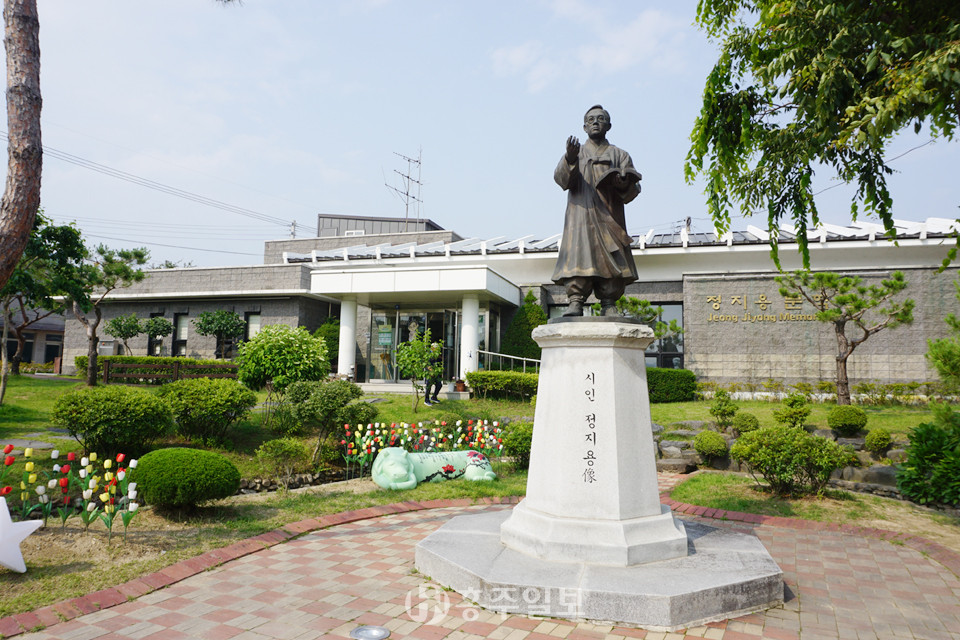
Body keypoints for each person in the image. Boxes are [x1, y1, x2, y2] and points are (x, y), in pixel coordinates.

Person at [552, 105, 642, 317]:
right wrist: (570, 159)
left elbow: (632, 190)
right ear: (584, 127)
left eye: (600, 119)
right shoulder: (576, 153)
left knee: (611, 259)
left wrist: (623, 183)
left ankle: (609, 302)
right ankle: (575, 300)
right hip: (580, 217)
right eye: (591, 119)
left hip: (609, 217)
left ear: (608, 126)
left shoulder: (620, 155)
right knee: (579, 256)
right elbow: (561, 180)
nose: (595, 122)